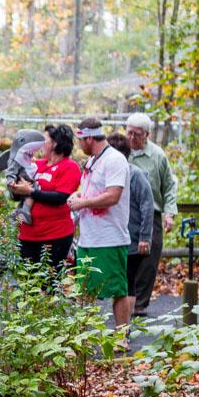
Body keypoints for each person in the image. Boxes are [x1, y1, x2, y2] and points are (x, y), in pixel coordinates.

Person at [67, 118, 132, 335]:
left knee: (117, 289)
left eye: (81, 140)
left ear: (90, 138)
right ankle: (83, 338)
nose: (79, 145)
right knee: (84, 289)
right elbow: (94, 190)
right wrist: (80, 195)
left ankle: (122, 336)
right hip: (88, 238)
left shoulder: (115, 160)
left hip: (110, 238)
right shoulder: (93, 161)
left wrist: (83, 202)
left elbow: (113, 196)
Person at [8, 124, 80, 274]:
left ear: (55, 143)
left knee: (49, 284)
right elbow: (19, 194)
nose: (40, 144)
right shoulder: (35, 165)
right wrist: (15, 188)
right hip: (27, 234)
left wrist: (31, 192)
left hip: (55, 235)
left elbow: (61, 198)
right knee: (28, 283)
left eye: (44, 139)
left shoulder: (69, 166)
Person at [125, 112, 178, 316]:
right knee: (127, 257)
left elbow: (169, 186)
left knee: (148, 258)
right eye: (129, 133)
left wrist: (169, 213)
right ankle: (126, 299)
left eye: (137, 134)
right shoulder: (121, 153)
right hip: (126, 214)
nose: (132, 138)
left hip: (152, 212)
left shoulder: (157, 155)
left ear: (147, 134)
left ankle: (140, 303)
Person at [108, 133, 155, 316]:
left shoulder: (135, 174)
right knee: (121, 282)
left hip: (133, 238)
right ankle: (123, 323)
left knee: (128, 281)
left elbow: (147, 206)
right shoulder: (107, 174)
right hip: (114, 236)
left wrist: (145, 237)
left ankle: (124, 326)